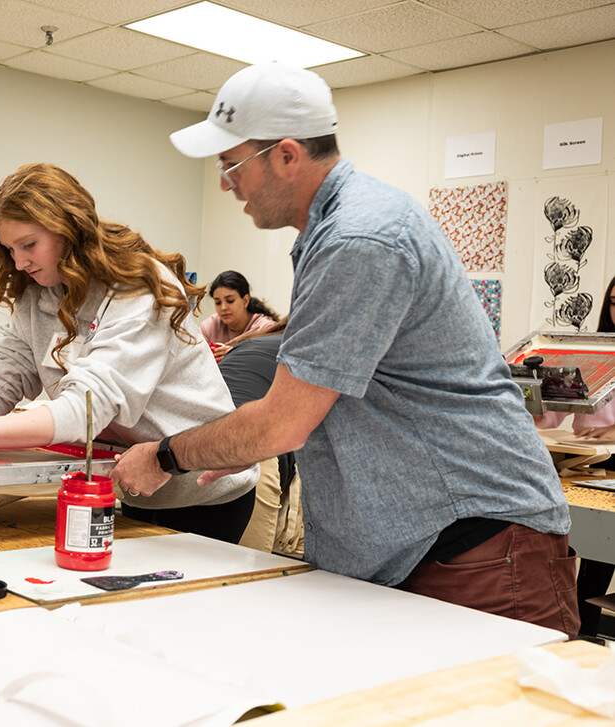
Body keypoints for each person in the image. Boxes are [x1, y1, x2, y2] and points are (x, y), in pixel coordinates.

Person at [110, 62, 577, 635]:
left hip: (472, 545)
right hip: (413, 546)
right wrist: (238, 441)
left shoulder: (360, 238)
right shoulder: (331, 232)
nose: (226, 183)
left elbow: (284, 423)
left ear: (286, 155)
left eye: (232, 164)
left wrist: (165, 455)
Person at [0, 162, 258, 543]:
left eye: (29, 244)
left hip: (203, 489)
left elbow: (83, 412)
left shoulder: (139, 288)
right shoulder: (36, 294)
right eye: (10, 249)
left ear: (70, 229)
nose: (19, 262)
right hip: (134, 480)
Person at [532, 273, 615, 636]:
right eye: (614, 301)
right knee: (587, 555)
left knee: (599, 561)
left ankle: (584, 635)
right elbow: (552, 411)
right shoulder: (597, 354)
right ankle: (578, 635)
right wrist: (530, 395)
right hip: (584, 464)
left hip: (610, 465)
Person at [217, 319, 302, 556]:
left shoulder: (252, 341)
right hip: (251, 458)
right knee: (246, 579)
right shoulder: (306, 351)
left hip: (196, 442)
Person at [200, 270, 278, 361]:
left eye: (230, 301)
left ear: (245, 301)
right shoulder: (210, 326)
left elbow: (270, 363)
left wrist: (236, 354)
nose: (223, 308)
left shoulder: (265, 328)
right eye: (218, 303)